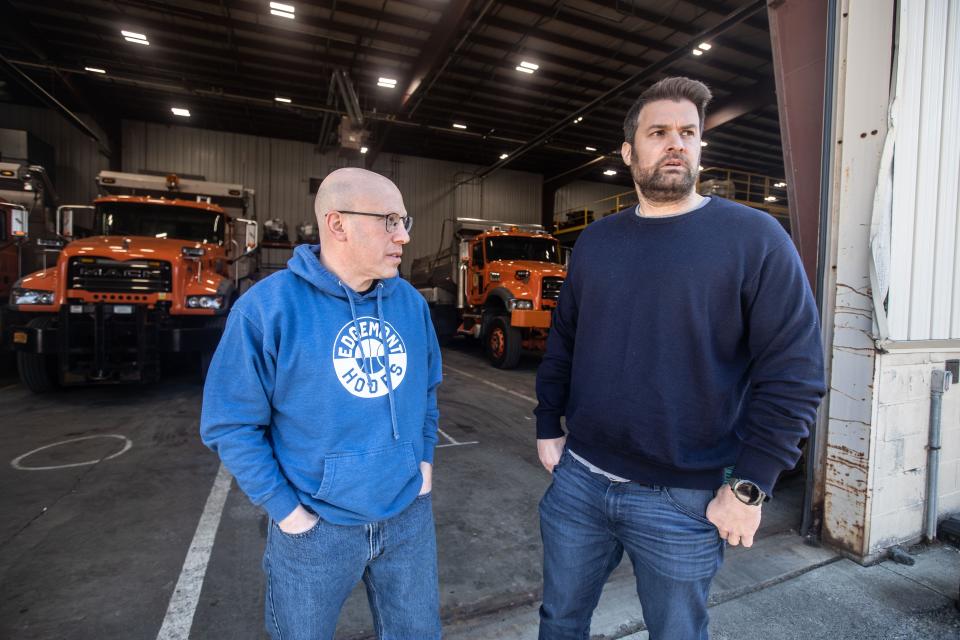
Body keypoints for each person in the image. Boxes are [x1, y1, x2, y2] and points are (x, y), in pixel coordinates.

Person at [534, 76, 826, 640]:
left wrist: (749, 486)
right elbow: (564, 340)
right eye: (659, 132)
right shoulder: (596, 243)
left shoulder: (755, 239)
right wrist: (548, 423)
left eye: (688, 133)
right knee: (560, 619)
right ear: (628, 152)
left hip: (684, 498)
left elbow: (794, 374)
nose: (676, 144)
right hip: (580, 483)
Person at [200, 168, 442, 640]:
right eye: (390, 221)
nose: (405, 236)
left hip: (408, 518)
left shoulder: (411, 304)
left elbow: (428, 391)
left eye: (404, 220)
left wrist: (425, 462)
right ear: (337, 224)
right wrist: (288, 513)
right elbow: (230, 425)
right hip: (317, 527)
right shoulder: (267, 308)